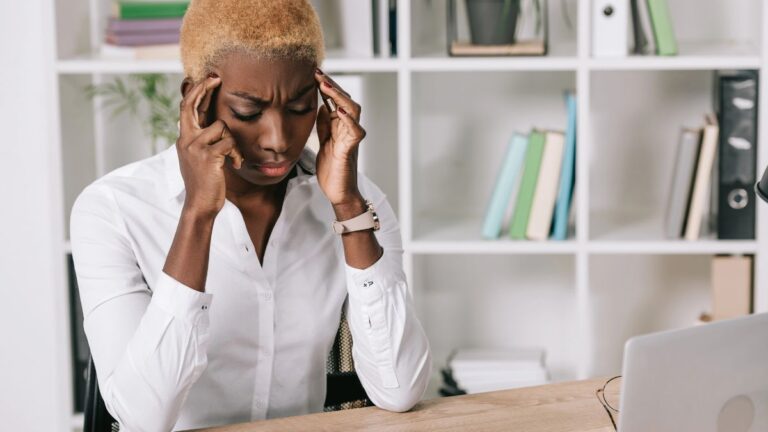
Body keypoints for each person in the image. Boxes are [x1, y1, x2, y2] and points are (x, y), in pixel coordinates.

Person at [69, 0, 432, 430]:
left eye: (299, 107)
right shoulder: (113, 211)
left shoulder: (357, 202)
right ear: (195, 101)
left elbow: (400, 388)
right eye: (248, 112)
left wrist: (349, 209)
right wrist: (198, 216)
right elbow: (143, 417)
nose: (278, 140)